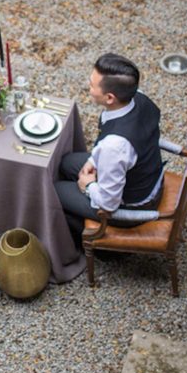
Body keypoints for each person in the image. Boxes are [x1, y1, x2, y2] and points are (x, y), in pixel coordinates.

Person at [55, 53, 164, 249]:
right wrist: (94, 161)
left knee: (53, 190)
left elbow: (108, 203)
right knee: (66, 162)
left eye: (91, 85)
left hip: (134, 204)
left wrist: (87, 186)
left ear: (110, 97)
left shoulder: (114, 146)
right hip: (147, 175)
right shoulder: (139, 97)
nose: (88, 87)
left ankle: (88, 244)